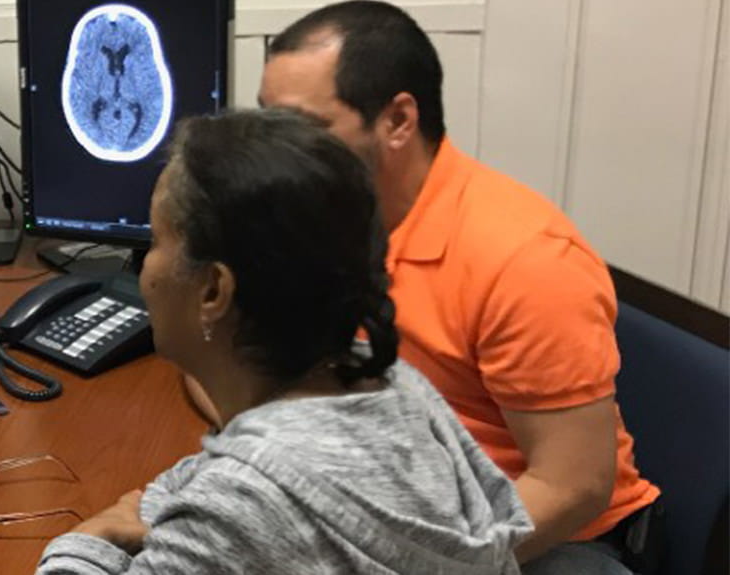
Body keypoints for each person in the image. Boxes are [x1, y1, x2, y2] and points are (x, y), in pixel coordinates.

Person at [249, 2, 660, 571]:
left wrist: (391, 557)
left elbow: (573, 488)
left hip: (547, 532)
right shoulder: (324, 215)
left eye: (302, 128)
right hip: (403, 487)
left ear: (397, 121)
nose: (273, 152)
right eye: (267, 121)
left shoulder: (525, 260)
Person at [37, 109, 532, 574]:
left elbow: (233, 500)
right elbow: (217, 473)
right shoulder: (392, 384)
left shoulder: (236, 510)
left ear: (213, 290)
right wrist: (173, 509)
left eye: (155, 242)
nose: (145, 268)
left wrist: (89, 540)